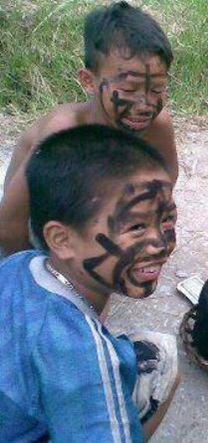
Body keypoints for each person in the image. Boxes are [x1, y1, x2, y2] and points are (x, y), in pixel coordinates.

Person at [0, 124, 180, 442]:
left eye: (166, 219)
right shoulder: (87, 358)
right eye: (136, 227)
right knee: (163, 357)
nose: (160, 244)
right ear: (62, 240)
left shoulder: (20, 265)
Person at [0, 1, 178, 256]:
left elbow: (164, 185)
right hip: (39, 227)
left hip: (92, 214)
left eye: (157, 89)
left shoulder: (158, 126)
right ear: (88, 81)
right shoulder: (64, 131)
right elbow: (10, 224)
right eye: (128, 90)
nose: (144, 105)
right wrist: (31, 272)